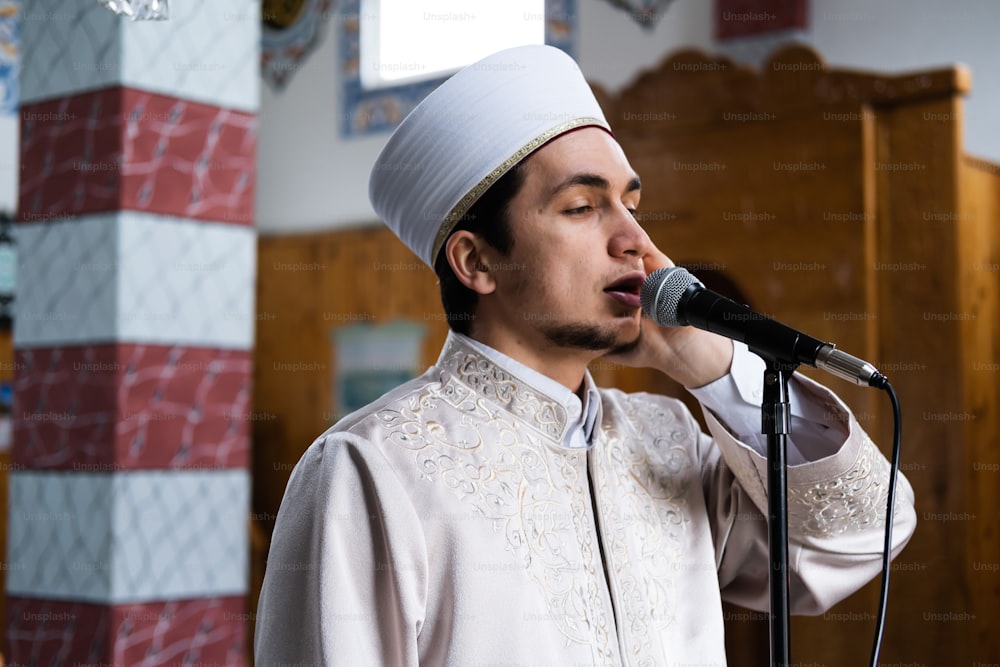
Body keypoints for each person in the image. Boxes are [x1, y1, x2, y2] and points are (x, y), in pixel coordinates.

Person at [254, 45, 916, 666]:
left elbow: (862, 535)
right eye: (581, 206)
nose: (635, 238)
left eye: (630, 202)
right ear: (476, 260)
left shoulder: (668, 440)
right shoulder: (371, 466)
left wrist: (709, 367)